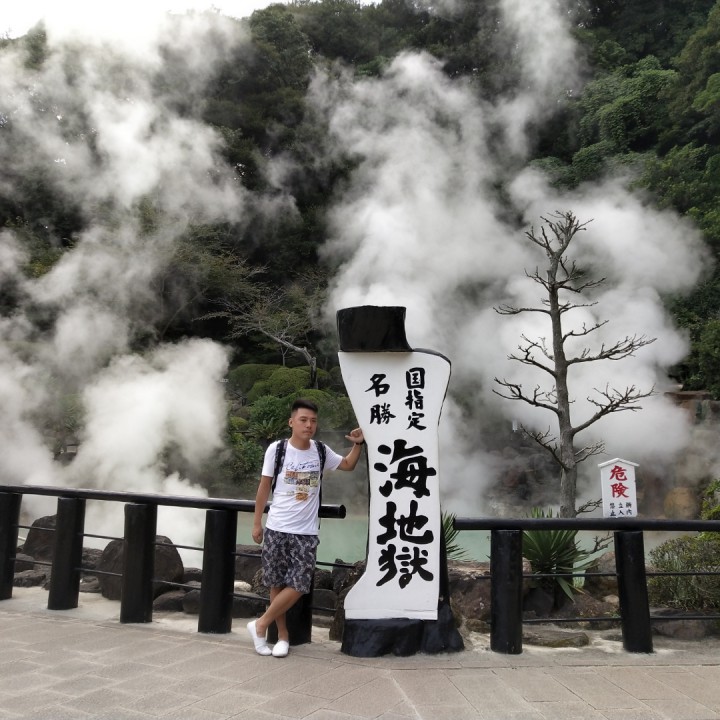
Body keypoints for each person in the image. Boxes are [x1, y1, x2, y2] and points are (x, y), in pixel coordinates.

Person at [247, 398, 365, 657]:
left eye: (313, 421)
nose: (309, 425)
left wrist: (358, 444)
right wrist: (257, 523)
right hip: (277, 527)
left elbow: (347, 464)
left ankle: (260, 624)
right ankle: (282, 636)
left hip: (306, 531)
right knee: (276, 583)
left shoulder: (320, 451)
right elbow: (264, 487)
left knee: (300, 584)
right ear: (292, 422)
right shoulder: (277, 450)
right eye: (303, 420)